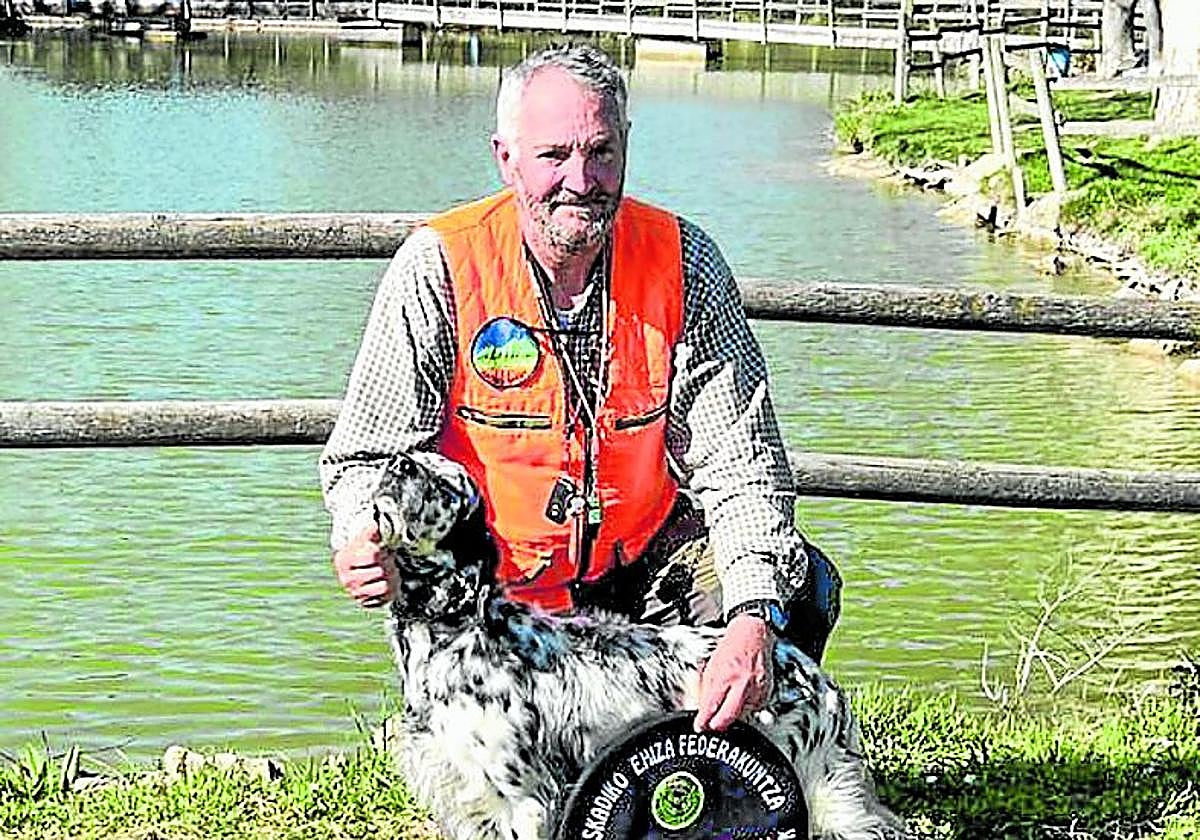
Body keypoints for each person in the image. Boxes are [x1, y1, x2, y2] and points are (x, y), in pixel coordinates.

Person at [319, 44, 840, 734]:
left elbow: (741, 463)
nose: (581, 180)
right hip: (491, 597)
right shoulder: (437, 266)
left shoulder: (687, 261)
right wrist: (363, 536)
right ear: (505, 157)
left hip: (644, 568)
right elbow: (366, 458)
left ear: (626, 145)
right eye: (553, 155)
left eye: (600, 152)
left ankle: (722, 792)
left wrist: (753, 617)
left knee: (792, 586)